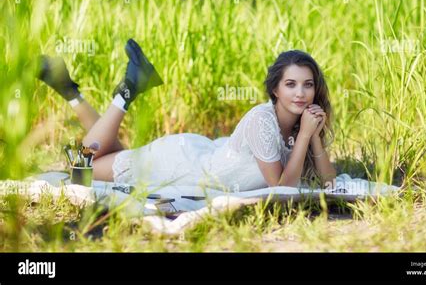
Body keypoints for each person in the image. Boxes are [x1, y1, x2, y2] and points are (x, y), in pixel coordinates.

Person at [38, 39, 336, 191]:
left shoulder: (300, 124)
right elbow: (282, 189)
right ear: (275, 90)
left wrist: (314, 140)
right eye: (291, 84)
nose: (300, 93)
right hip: (178, 165)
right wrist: (306, 136)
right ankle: (128, 89)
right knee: (80, 167)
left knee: (104, 156)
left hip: (197, 153)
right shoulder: (262, 120)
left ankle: (68, 90)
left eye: (307, 85)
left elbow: (329, 183)